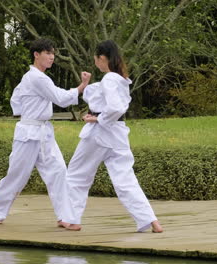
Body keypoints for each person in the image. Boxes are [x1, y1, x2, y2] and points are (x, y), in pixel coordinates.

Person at [0, 38, 91, 226]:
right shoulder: (36, 78)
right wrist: (81, 87)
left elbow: (15, 100)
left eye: (53, 54)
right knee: (17, 175)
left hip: (44, 132)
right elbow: (59, 97)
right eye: (48, 53)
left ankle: (65, 217)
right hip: (28, 133)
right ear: (36, 55)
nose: (52, 57)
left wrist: (27, 109)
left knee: (58, 171)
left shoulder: (32, 78)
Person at [62, 40, 163, 233]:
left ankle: (72, 219)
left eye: (95, 59)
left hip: (100, 134)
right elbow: (99, 97)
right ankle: (151, 220)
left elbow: (115, 107)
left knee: (77, 174)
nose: (95, 62)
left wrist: (98, 119)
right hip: (117, 134)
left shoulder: (109, 79)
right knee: (126, 179)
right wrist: (86, 86)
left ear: (102, 58)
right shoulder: (120, 79)